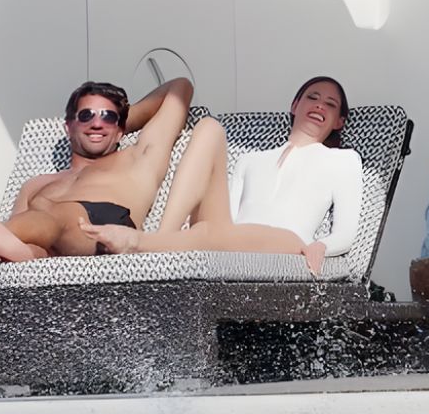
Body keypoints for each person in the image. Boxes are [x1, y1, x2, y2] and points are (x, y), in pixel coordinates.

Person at [80, 76, 362, 276]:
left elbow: (346, 232)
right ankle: (162, 241)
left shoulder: (342, 160)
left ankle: (140, 243)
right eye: (313, 98)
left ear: (339, 122)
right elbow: (226, 221)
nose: (320, 106)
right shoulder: (251, 160)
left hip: (288, 245)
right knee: (209, 128)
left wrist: (322, 245)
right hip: (232, 240)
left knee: (210, 234)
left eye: (331, 104)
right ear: (294, 105)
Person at [0, 77, 195, 262]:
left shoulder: (138, 158)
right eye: (86, 116)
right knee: (32, 248)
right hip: (51, 252)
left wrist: (122, 119)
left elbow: (180, 88)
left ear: (121, 127)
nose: (97, 124)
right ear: (68, 127)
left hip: (109, 229)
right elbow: (18, 243)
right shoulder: (36, 185)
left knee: (55, 212)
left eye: (107, 117)